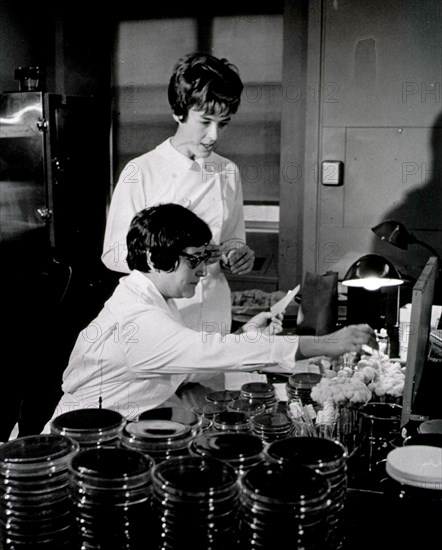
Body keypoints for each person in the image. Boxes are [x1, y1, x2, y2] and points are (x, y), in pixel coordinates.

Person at [47, 204, 378, 422]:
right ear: (154, 258)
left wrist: (243, 337)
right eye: (194, 259)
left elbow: (182, 359)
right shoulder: (138, 318)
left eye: (205, 259)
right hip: (79, 444)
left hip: (109, 432)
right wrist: (325, 343)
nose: (203, 272)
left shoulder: (147, 298)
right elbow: (202, 352)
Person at [102, 52, 254, 334]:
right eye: (205, 121)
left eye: (223, 124)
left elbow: (232, 239)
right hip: (161, 314)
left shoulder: (227, 171)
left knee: (210, 374)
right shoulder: (141, 171)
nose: (214, 136)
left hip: (213, 310)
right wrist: (182, 255)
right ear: (179, 111)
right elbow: (114, 254)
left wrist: (235, 254)